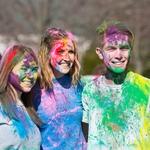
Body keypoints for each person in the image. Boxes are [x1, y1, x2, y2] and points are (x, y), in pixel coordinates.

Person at [82, 20, 150, 150]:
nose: (119, 55)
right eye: (111, 48)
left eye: (124, 48)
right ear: (100, 53)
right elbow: (86, 136)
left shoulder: (146, 88)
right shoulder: (90, 91)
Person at [29, 28, 86, 150]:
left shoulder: (79, 86)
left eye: (71, 52)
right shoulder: (33, 88)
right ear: (47, 53)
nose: (66, 57)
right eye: (60, 51)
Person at [0, 45, 41, 149]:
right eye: (24, 68)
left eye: (34, 69)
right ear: (8, 69)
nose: (30, 75)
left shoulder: (27, 108)